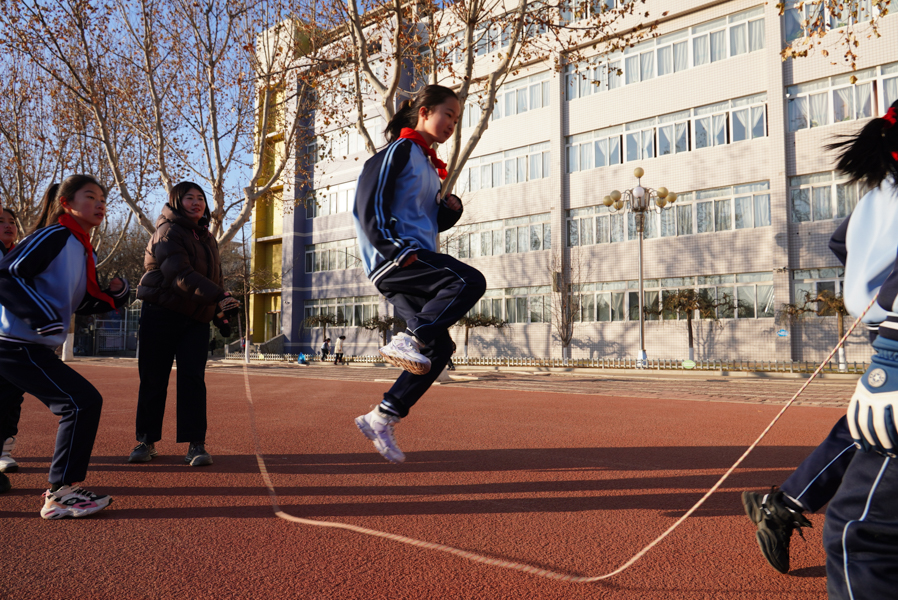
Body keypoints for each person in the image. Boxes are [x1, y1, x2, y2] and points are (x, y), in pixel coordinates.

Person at [740, 104, 898, 577]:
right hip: (893, 323)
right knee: (876, 435)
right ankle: (789, 504)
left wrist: (867, 289)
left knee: (870, 428)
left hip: (882, 320)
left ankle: (787, 502)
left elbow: (840, 243)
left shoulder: (877, 193)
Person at [352, 85, 486, 463]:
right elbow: (367, 206)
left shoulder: (428, 165)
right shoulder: (399, 151)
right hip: (395, 259)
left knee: (439, 349)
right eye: (448, 114)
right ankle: (409, 338)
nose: (452, 124)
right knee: (469, 281)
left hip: (413, 258)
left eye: (457, 119)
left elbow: (424, 219)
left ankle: (383, 415)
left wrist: (449, 212)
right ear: (424, 112)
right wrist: (393, 248)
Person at [0, 175, 130, 517]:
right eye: (90, 196)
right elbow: (5, 274)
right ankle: (61, 493)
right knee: (81, 402)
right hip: (15, 345)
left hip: (26, 345)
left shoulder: (83, 247)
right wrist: (40, 316)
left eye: (103, 199)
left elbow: (79, 300)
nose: (100, 204)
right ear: (66, 203)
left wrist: (116, 295)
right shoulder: (55, 236)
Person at [128, 182, 239, 467]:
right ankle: (146, 441)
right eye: (189, 197)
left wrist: (221, 313)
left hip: (195, 318)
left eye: (200, 198)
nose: (196, 202)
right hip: (161, 314)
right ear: (177, 202)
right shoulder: (167, 232)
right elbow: (180, 276)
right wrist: (219, 296)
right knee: (154, 379)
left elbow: (215, 280)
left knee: (193, 381)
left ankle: (196, 444)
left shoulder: (208, 238)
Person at [0, 207, 22, 478]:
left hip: (13, 340)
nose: (8, 225)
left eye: (12, 221)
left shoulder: (22, 257)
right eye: (1, 221)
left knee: (12, 396)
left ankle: (5, 449)